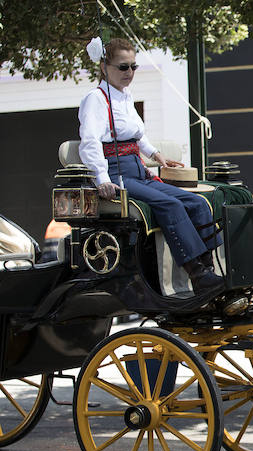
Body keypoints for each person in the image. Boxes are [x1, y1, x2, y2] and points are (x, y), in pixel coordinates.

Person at [78, 37, 223, 294]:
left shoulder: (124, 97)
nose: (130, 73)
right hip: (117, 173)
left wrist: (156, 155)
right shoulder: (96, 99)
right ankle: (198, 275)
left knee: (198, 203)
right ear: (104, 67)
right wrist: (102, 179)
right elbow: (90, 142)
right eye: (123, 67)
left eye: (133, 66)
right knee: (171, 204)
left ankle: (212, 269)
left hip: (138, 170)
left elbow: (136, 135)